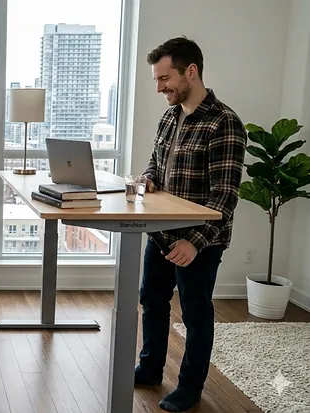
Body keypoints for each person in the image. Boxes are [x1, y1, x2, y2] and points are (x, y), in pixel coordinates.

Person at [136, 37, 246, 412]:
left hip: (200, 241)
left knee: (196, 314)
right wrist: (148, 179)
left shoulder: (224, 122)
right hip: (161, 233)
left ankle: (190, 387)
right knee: (152, 300)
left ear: (191, 71)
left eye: (164, 78)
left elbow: (224, 196)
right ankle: (150, 368)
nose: (160, 87)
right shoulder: (170, 117)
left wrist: (195, 242)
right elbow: (155, 164)